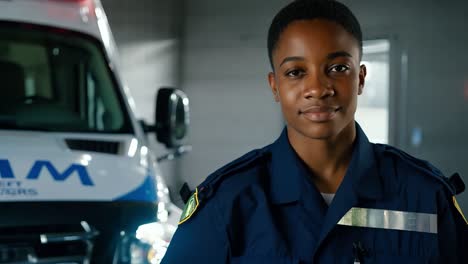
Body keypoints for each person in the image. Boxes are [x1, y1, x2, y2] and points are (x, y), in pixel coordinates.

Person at [162, 0, 468, 263]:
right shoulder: (227, 205)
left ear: (360, 78)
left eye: (337, 68)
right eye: (296, 72)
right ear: (275, 86)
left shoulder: (426, 198)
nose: (318, 89)